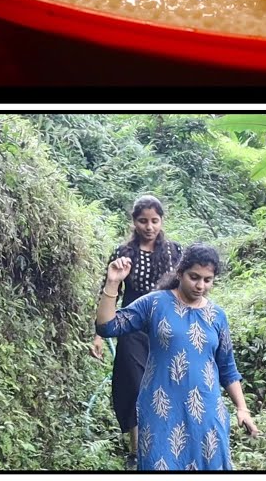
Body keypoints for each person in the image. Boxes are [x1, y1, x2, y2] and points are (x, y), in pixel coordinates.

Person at [96, 244, 260, 471]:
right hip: (161, 410)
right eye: (194, 277)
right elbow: (107, 327)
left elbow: (227, 368)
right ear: (180, 271)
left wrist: (242, 408)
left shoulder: (217, 316)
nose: (200, 285)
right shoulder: (154, 303)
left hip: (207, 412)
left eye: (207, 279)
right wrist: (113, 282)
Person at [89, 195, 182, 470]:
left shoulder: (175, 252)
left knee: (167, 385)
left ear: (162, 221)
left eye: (154, 221)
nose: (149, 226)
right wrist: (99, 334)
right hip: (130, 328)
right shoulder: (123, 253)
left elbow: (187, 291)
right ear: (134, 221)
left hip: (166, 329)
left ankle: (168, 445)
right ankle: (137, 452)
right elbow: (110, 292)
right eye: (143, 221)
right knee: (133, 385)